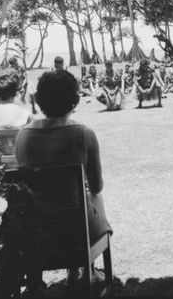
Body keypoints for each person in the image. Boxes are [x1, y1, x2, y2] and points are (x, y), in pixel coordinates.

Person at [15, 70, 112, 291]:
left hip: (37, 230)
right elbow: (97, 186)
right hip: (76, 230)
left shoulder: (23, 135)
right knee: (93, 195)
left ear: (39, 101)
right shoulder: (83, 133)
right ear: (74, 100)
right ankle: (88, 268)